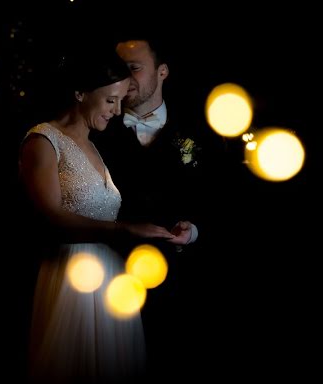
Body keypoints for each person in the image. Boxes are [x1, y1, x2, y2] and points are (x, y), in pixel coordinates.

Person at [19, 47, 179, 383]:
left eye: (121, 101)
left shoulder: (95, 146)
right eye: (110, 101)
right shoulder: (43, 141)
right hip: (71, 278)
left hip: (111, 279)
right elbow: (50, 216)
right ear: (80, 93)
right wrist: (123, 230)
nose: (118, 110)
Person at [94, 36, 219, 379]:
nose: (125, 79)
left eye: (134, 69)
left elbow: (223, 197)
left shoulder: (202, 129)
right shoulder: (96, 129)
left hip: (187, 286)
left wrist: (194, 230)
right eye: (120, 71)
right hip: (109, 278)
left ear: (162, 71)